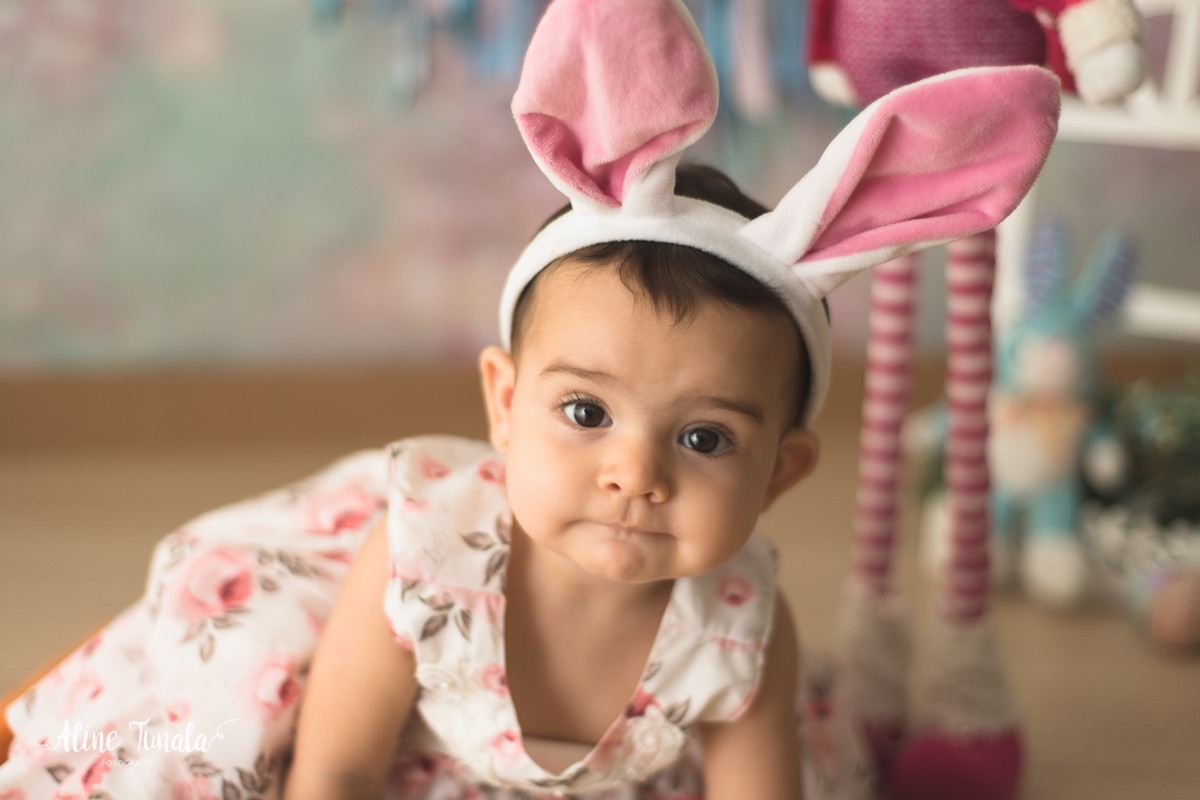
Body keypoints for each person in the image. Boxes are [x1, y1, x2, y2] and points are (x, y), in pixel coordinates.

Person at [0, 1, 1059, 798]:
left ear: (781, 469)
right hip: (401, 761)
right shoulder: (425, 558)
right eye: (586, 412)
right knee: (200, 742)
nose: (634, 473)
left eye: (703, 436)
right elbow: (337, 770)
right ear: (503, 404)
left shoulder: (740, 631)